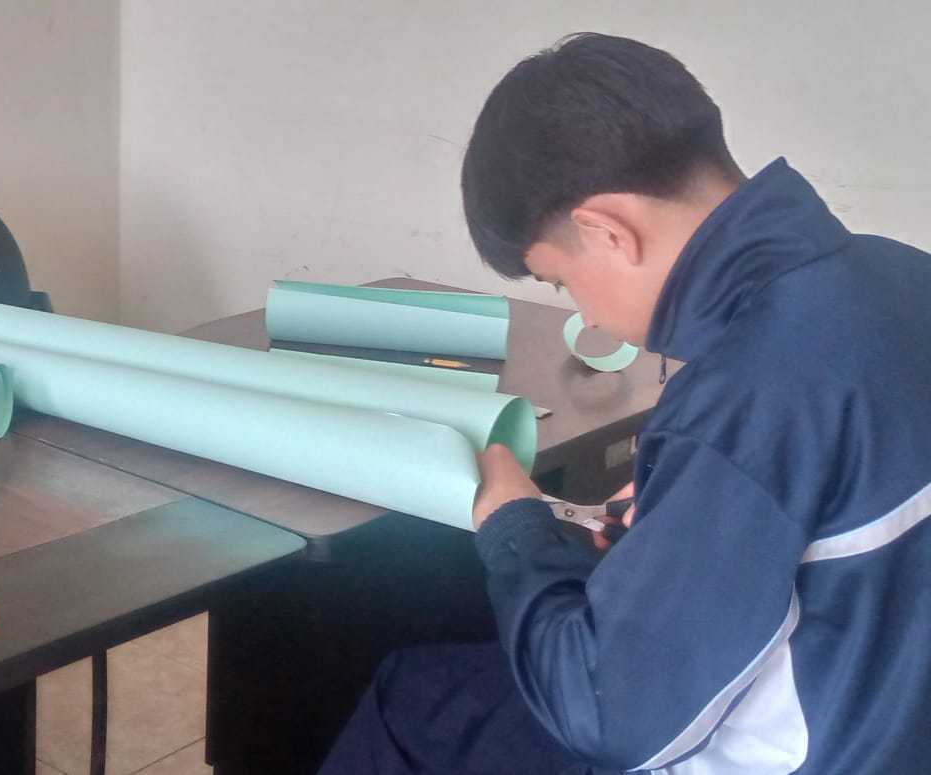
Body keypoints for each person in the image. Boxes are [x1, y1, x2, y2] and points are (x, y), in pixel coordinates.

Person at [318, 32, 931, 774]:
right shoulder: (905, 278)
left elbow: (606, 712)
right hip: (890, 722)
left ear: (606, 232)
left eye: (561, 281)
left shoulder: (741, 394)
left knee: (412, 697)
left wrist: (515, 528)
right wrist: (693, 503)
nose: (589, 316)